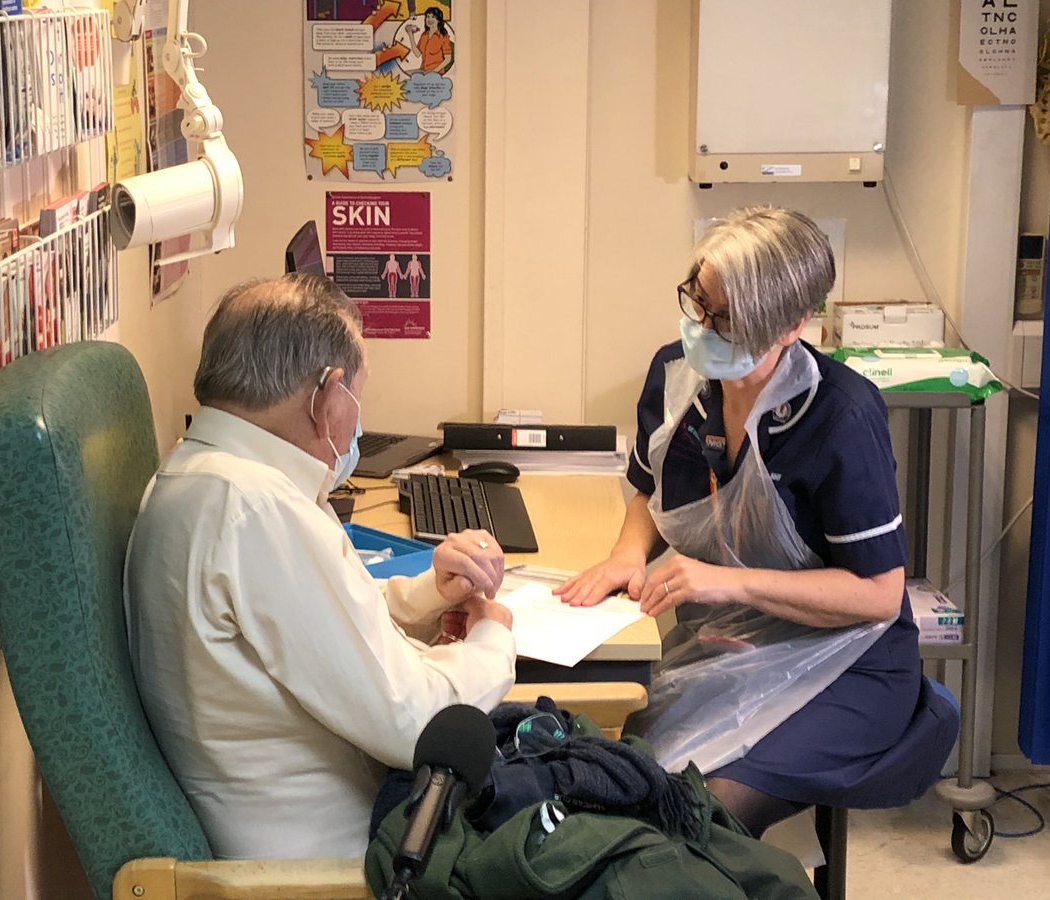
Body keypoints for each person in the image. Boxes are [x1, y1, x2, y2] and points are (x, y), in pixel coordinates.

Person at [555, 206, 956, 838]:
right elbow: (645, 487)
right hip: (729, 643)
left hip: (849, 661)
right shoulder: (674, 377)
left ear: (795, 324)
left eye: (731, 322)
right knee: (610, 770)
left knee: (698, 812)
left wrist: (726, 582)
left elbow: (879, 594)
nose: (705, 329)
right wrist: (629, 554)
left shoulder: (842, 417)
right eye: (700, 303)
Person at [123, 273, 515, 860]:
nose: (357, 422)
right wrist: (493, 636)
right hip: (344, 863)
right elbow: (418, 725)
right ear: (328, 393)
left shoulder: (199, 477)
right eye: (358, 397)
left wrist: (430, 595)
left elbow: (316, 629)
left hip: (330, 826)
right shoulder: (253, 511)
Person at [404, 6, 453, 74]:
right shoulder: (424, 35)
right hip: (423, 70)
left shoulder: (443, 36)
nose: (429, 19)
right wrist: (410, 35)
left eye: (433, 17)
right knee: (404, 75)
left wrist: (433, 72)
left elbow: (448, 59)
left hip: (437, 72)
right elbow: (417, 54)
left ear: (438, 20)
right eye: (427, 16)